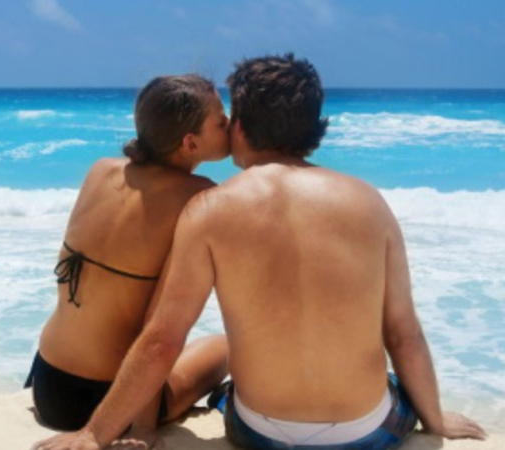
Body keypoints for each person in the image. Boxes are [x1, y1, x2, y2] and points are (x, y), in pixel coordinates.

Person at [32, 54, 488, 450]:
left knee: (235, 363)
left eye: (229, 118)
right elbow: (404, 334)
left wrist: (95, 434)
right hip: (365, 435)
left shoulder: (204, 206)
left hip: (255, 432)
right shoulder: (370, 202)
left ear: (243, 127)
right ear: (314, 126)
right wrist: (436, 421)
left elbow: (162, 338)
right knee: (382, 383)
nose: (227, 126)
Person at [24, 74, 230, 438]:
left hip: (48, 383)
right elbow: (157, 328)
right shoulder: (198, 197)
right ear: (190, 142)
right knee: (228, 348)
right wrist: (142, 426)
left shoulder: (101, 171)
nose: (230, 125)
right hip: (112, 402)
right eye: (221, 121)